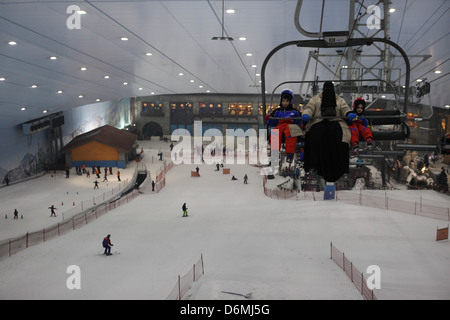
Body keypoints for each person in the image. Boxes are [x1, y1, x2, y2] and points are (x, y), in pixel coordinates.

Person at [301, 81, 356, 188]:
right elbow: (309, 108)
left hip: (336, 122)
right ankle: (315, 164)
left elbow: (344, 108)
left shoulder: (339, 100)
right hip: (318, 121)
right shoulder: (315, 99)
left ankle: (338, 166)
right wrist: (306, 114)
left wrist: (349, 113)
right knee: (317, 135)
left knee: (339, 135)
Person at [265, 89, 302, 163]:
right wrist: (269, 119)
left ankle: (290, 154)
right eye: (283, 101)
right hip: (280, 125)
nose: (285, 103)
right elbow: (273, 122)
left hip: (291, 125)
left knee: (291, 133)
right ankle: (274, 155)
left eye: (287, 101)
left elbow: (299, 121)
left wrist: (302, 123)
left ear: (290, 102)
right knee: (275, 132)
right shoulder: (277, 111)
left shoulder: (294, 111)